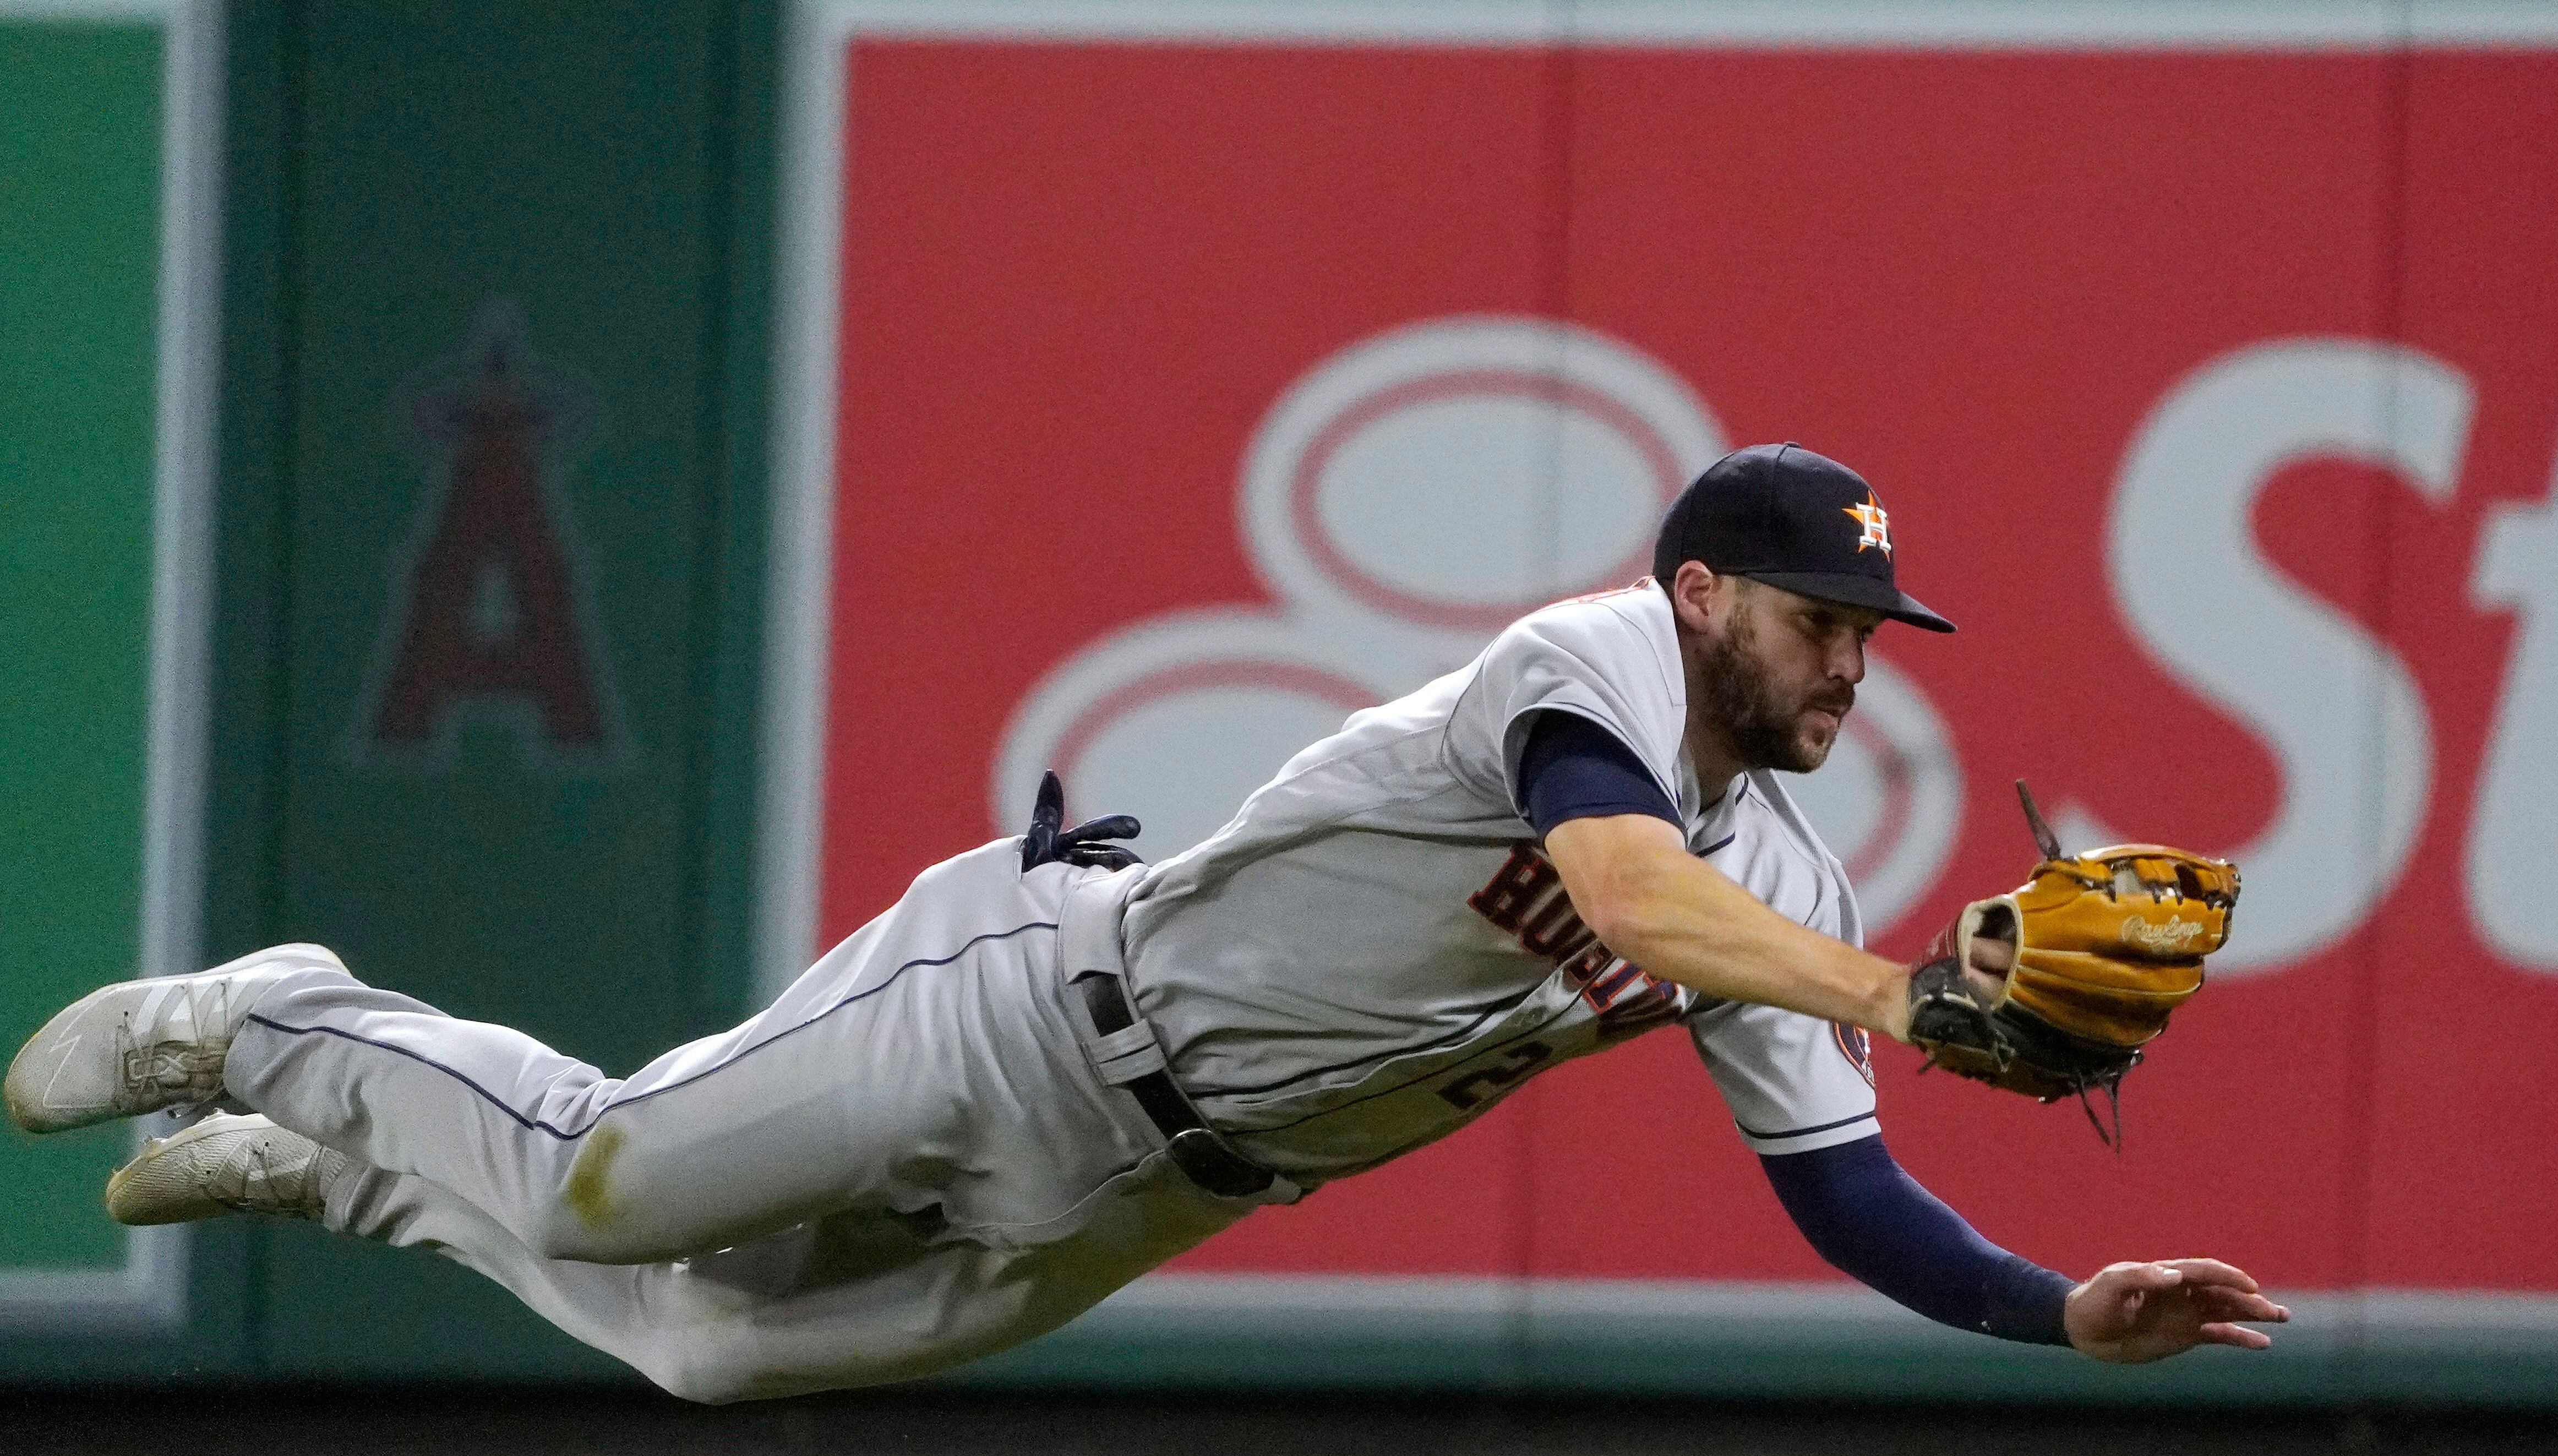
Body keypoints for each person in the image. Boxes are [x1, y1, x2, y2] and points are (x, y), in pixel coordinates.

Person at [7, 443, 2286, 1401]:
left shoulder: (1789, 890)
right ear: (1703, 592)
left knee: (702, 1350)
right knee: (612, 1174)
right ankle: (282, 1018)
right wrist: (1903, 988)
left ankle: (344, 1161)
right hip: (1022, 1005)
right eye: (1823, 618)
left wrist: (2059, 1307)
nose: (1857, 662)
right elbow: (1613, 886)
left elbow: (1848, 1191)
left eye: (1880, 632)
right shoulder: (1581, 662)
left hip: (1148, 1189)